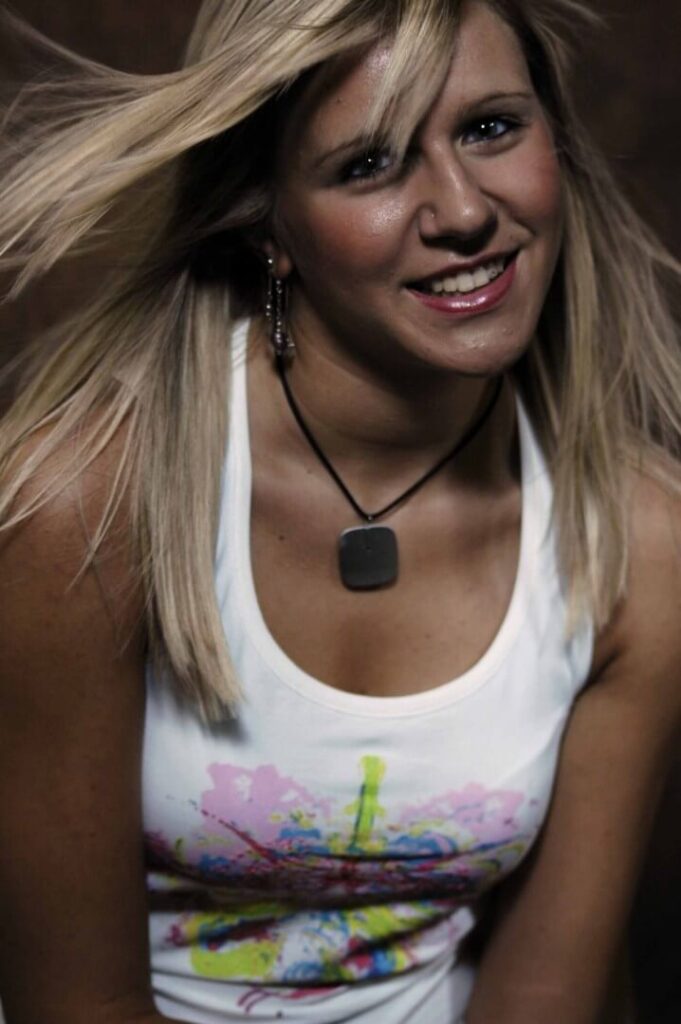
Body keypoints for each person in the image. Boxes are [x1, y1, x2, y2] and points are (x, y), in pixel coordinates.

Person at [1, 0, 680, 1022]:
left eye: (491, 127)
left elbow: (543, 995)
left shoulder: (640, 543)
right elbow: (77, 1006)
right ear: (266, 223)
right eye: (369, 164)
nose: (462, 209)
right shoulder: (86, 509)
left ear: (556, 146)